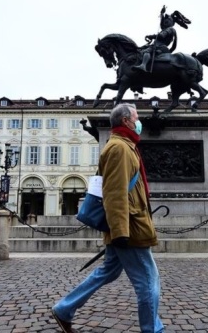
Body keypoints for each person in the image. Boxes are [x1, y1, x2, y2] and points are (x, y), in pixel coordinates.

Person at [51, 103, 163, 333]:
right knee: (148, 281)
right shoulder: (120, 148)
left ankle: (64, 309)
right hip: (130, 227)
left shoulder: (125, 145)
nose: (139, 121)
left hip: (128, 222)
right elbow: (114, 192)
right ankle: (153, 330)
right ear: (126, 121)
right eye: (136, 117)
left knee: (108, 271)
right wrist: (120, 231)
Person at [133, 5, 191, 72]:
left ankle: (143, 65)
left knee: (147, 51)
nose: (165, 21)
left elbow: (161, 36)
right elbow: (162, 22)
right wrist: (162, 13)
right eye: (165, 21)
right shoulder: (166, 28)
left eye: (167, 20)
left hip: (160, 46)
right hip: (159, 45)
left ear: (172, 22)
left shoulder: (170, 29)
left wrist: (152, 36)